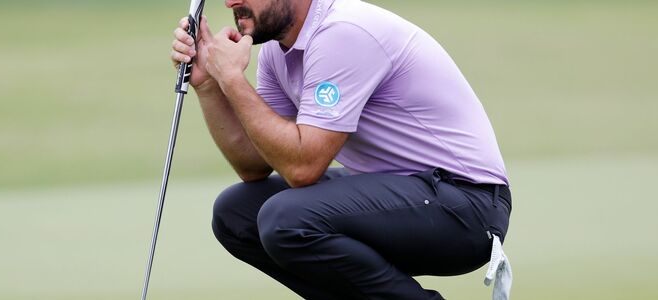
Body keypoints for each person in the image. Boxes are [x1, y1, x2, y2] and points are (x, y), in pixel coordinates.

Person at [169, 0, 512, 299]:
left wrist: (232, 79)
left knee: (286, 219)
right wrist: (210, 85)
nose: (230, 2)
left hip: (467, 206)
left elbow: (303, 168)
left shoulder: (343, 32)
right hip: (406, 193)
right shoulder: (278, 51)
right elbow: (254, 165)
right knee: (236, 214)